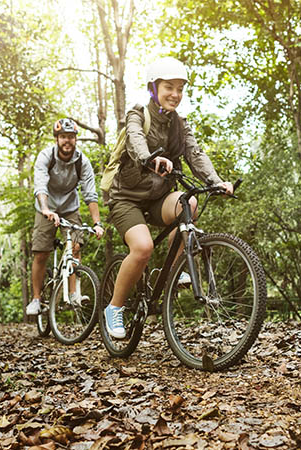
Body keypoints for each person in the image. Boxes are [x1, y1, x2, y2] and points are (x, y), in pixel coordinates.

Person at [102, 56, 233, 338]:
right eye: (169, 87)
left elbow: (195, 155)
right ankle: (114, 307)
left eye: (180, 88)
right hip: (126, 198)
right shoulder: (138, 114)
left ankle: (174, 272)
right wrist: (150, 159)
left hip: (158, 198)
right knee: (143, 248)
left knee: (191, 203)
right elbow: (135, 139)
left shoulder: (179, 125)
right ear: (154, 88)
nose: (175, 94)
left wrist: (216, 181)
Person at [26, 118, 105, 315]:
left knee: (76, 246)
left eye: (71, 137)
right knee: (41, 252)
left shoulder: (82, 162)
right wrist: (45, 209)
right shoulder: (46, 156)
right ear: (57, 139)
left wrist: (97, 223)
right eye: (63, 137)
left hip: (70, 208)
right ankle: (36, 299)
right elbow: (40, 185)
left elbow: (90, 194)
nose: (67, 141)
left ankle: (74, 294)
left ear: (76, 139)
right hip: (46, 207)